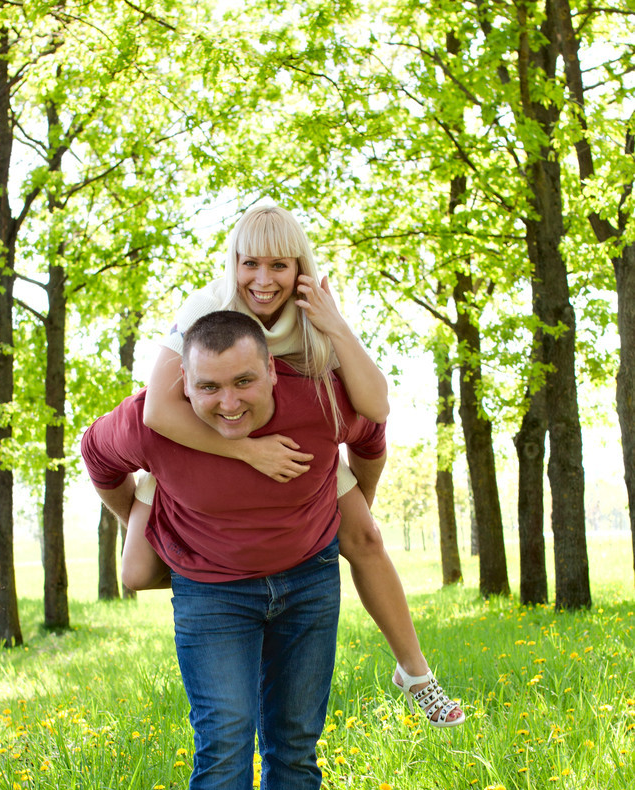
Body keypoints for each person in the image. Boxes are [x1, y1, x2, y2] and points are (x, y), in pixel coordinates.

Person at [81, 309, 388, 790]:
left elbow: (372, 427)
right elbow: (96, 453)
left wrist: (356, 496)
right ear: (182, 385)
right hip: (211, 591)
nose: (227, 402)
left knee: (294, 743)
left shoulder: (315, 400)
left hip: (306, 583)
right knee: (223, 742)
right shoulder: (149, 422)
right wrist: (136, 511)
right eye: (209, 387)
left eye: (244, 382)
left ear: (272, 371)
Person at [125, 204, 464, 728]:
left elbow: (375, 407)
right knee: (137, 573)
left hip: (298, 456)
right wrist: (246, 451)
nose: (263, 281)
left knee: (366, 538)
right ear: (233, 263)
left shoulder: (314, 312)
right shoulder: (206, 307)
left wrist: (335, 323)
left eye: (279, 265)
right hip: (219, 447)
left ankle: (415, 673)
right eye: (251, 263)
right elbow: (157, 410)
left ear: (299, 267)